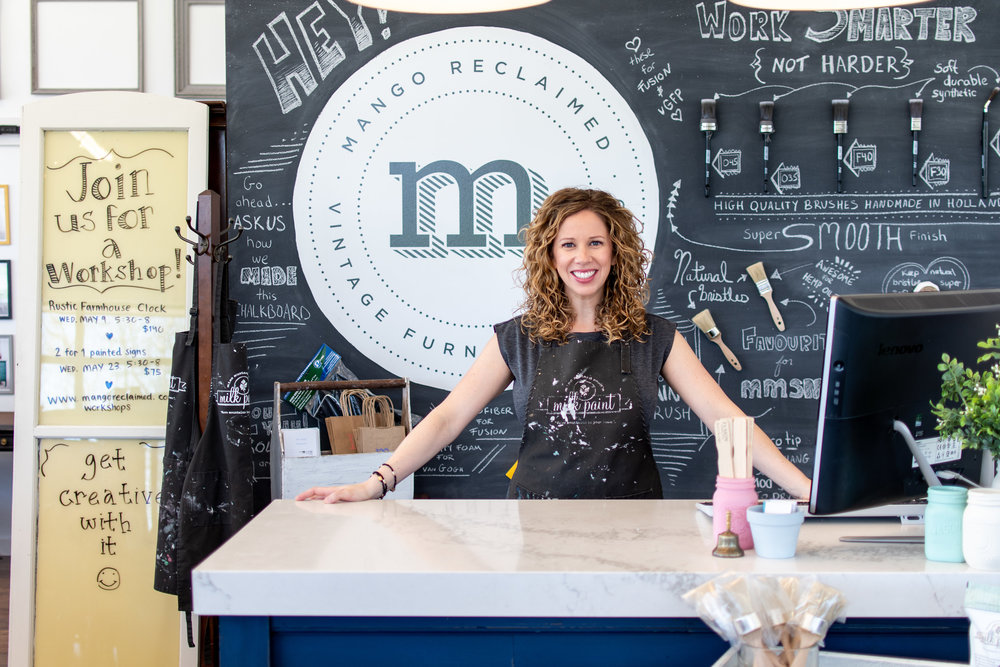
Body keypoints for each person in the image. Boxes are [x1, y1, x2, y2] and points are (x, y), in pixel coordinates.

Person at [297, 188, 812, 503]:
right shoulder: (518, 338)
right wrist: (374, 483)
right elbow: (447, 419)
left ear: (617, 253)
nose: (582, 256)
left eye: (595, 242)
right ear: (550, 255)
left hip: (637, 524)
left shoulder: (655, 337)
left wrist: (807, 490)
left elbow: (729, 421)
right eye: (568, 244)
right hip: (538, 523)